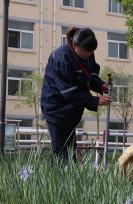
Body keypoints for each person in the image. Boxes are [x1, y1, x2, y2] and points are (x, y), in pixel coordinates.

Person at [41, 27, 112, 165]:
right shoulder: (61, 58)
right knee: (60, 153)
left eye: (91, 51)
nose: (88, 54)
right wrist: (95, 101)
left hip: (71, 111)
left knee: (69, 151)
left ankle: (61, 181)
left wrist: (100, 85)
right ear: (74, 45)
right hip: (56, 109)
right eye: (86, 51)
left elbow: (91, 74)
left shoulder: (87, 50)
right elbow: (70, 93)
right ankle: (54, 183)